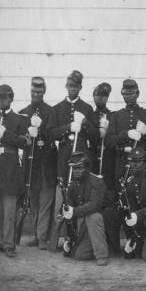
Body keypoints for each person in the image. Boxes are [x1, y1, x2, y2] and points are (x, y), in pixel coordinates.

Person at [47, 70, 99, 246]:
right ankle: (57, 237)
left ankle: (79, 237)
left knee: (80, 197)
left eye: (76, 86)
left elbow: (96, 137)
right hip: (64, 159)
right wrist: (68, 127)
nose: (72, 89)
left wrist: (85, 124)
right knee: (62, 195)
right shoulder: (57, 109)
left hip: (82, 159)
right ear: (66, 86)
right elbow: (50, 133)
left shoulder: (87, 108)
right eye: (70, 86)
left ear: (80, 87)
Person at [0, 84, 30, 257]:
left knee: (9, 209)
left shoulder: (20, 120)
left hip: (10, 168)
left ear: (11, 98)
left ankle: (9, 244)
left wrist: (5, 134)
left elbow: (25, 142)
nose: (1, 101)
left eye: (5, 98)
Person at [102, 147, 146, 263]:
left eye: (138, 162)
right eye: (131, 162)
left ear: (145, 163)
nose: (134, 165)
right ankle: (115, 248)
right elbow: (130, 208)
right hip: (139, 223)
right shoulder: (130, 180)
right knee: (110, 213)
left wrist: (136, 215)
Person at [18, 77, 58, 250]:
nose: (36, 94)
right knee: (34, 202)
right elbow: (19, 137)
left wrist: (40, 131)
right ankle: (36, 235)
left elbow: (53, 135)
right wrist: (27, 135)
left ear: (44, 92)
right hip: (30, 165)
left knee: (46, 201)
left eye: (39, 92)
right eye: (34, 91)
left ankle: (43, 237)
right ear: (30, 91)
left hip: (47, 163)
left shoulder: (51, 111)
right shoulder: (23, 112)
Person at [105, 79, 146, 190]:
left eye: (131, 94)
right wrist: (126, 134)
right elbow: (109, 142)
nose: (128, 97)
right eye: (125, 94)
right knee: (121, 195)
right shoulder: (116, 116)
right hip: (121, 163)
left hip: (142, 164)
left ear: (137, 93)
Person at [62, 152, 110, 266]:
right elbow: (69, 205)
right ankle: (97, 245)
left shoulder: (97, 181)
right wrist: (64, 212)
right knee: (80, 256)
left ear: (87, 168)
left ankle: (102, 255)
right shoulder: (73, 185)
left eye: (79, 168)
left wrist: (73, 212)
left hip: (102, 220)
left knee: (93, 217)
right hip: (84, 222)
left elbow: (94, 205)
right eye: (74, 168)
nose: (76, 171)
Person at [92, 82, 115, 191]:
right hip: (92, 155)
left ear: (107, 97)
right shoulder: (90, 115)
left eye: (103, 96)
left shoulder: (112, 116)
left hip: (107, 156)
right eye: (97, 95)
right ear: (93, 97)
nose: (100, 98)